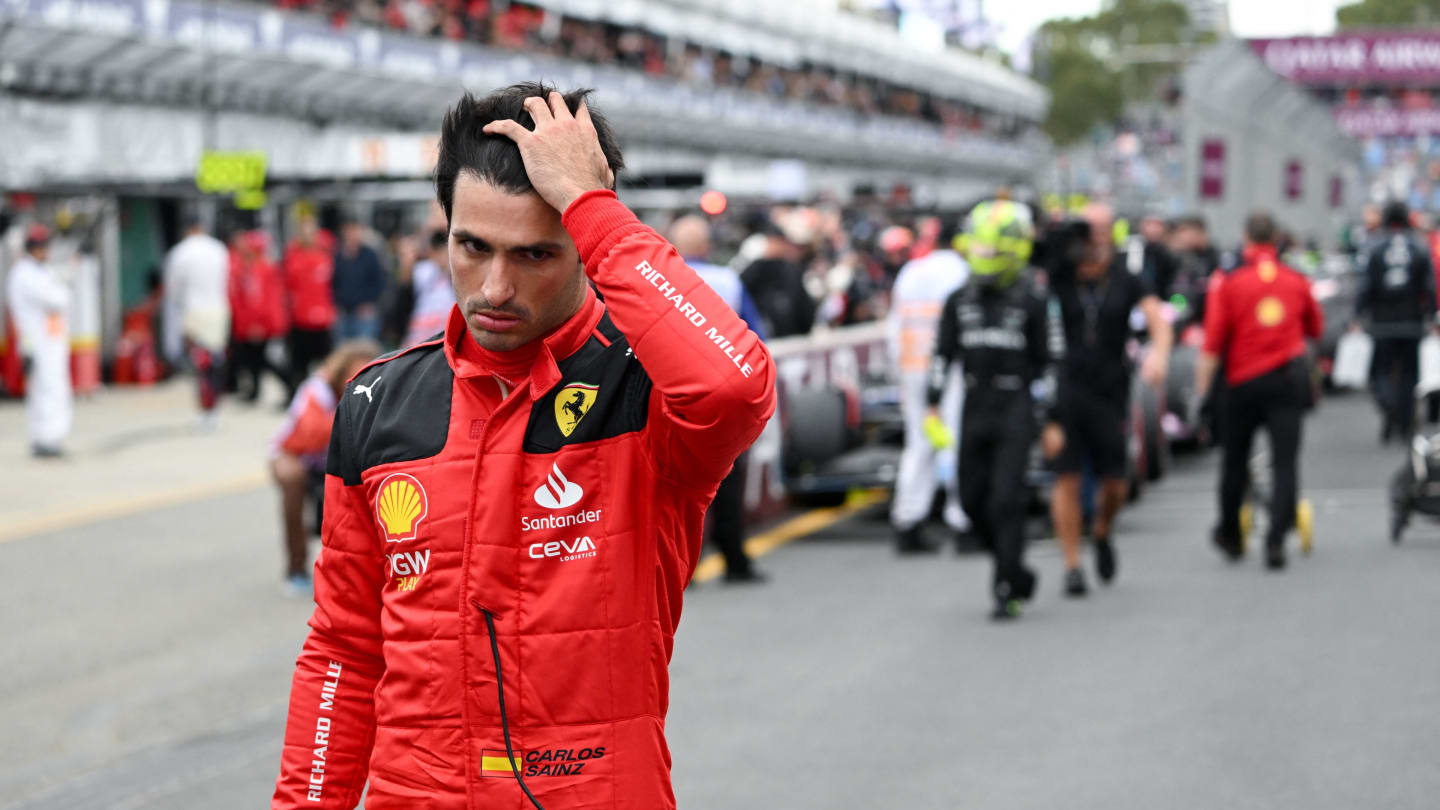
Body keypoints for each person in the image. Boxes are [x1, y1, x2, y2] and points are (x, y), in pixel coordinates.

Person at [270, 83, 775, 810]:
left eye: (535, 254)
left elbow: (733, 387)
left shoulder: (642, 390)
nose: (496, 288)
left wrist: (595, 209)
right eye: (472, 246)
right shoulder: (378, 403)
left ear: (583, 246)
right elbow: (345, 652)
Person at [928, 199, 1051, 620]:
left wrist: (1049, 418)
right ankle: (1014, 567)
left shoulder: (1034, 301)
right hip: (974, 404)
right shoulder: (957, 299)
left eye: (993, 252)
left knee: (1007, 500)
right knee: (971, 499)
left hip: (1015, 407)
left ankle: (1006, 584)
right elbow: (942, 355)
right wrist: (931, 404)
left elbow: (1048, 362)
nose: (985, 259)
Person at [1044, 203, 1172, 597]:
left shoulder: (1126, 278)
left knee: (1115, 481)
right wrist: (1063, 234)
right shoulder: (1060, 273)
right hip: (1067, 387)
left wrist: (1159, 354)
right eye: (1088, 229)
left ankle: (1101, 530)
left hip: (1111, 389)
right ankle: (1071, 565)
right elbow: (1038, 253)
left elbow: (1156, 318)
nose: (1094, 237)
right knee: (1066, 477)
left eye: (1101, 229)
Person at [1196, 211, 1323, 570]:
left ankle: (1231, 534)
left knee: (1234, 461)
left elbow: (1213, 341)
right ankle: (1277, 539)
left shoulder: (1230, 282)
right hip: (1286, 380)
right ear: (1277, 239)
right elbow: (1315, 326)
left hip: (1242, 383)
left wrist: (1203, 390)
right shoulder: (1296, 279)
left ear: (1246, 238)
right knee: (1285, 461)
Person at [668, 213, 769, 583]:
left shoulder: (656, 277)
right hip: (722, 397)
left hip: (672, 397)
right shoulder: (728, 280)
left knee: (676, 489)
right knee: (727, 483)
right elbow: (756, 339)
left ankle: (683, 571)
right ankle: (734, 560)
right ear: (707, 246)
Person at [269, 338, 381, 595]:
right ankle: (295, 568)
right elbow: (313, 434)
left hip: (336, 459)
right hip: (295, 454)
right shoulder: (316, 390)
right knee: (292, 478)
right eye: (353, 374)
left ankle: (360, 571)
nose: (359, 381)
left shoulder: (375, 392)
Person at [888, 220, 969, 553]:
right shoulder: (963, 272)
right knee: (958, 441)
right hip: (952, 371)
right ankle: (962, 520)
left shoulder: (910, 272)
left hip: (913, 367)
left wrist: (899, 372)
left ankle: (908, 519)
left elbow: (894, 327)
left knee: (918, 445)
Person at [1355, 200, 1436, 443]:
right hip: (1412, 320)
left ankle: (1389, 406)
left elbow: (1365, 286)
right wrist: (1432, 315)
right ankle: (1404, 420)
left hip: (1382, 322)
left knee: (1380, 371)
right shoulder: (1419, 246)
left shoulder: (1374, 246)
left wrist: (1358, 314)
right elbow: (1429, 287)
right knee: (1410, 374)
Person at [6, 224, 71, 457]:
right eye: (43, 247)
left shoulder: (38, 271)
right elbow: (59, 299)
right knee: (48, 390)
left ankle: (48, 437)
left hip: (48, 341)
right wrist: (65, 280)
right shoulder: (26, 273)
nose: (47, 251)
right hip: (39, 342)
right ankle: (46, 439)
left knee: (49, 389)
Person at [163, 219, 231, 424]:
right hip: (218, 310)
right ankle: (214, 407)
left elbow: (173, 289)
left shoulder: (180, 252)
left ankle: (204, 408)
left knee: (201, 365)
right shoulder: (219, 249)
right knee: (216, 362)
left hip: (194, 312)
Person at [228, 230, 289, 403]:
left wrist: (258, 324)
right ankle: (254, 392)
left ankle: (290, 387)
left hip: (263, 325)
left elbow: (262, 301)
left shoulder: (261, 270)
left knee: (265, 360)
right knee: (252, 359)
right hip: (254, 324)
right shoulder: (250, 269)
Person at [282, 214, 336, 398]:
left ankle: (327, 398)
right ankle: (296, 398)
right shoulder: (292, 256)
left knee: (327, 363)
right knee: (298, 364)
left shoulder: (326, 255)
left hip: (322, 320)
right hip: (300, 320)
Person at [740, 220, 816, 338]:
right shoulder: (754, 270)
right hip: (760, 338)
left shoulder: (790, 270)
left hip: (790, 337)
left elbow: (804, 309)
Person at [331, 218, 388, 341]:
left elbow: (379, 281)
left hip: (364, 314)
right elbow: (333, 282)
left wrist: (369, 302)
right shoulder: (338, 256)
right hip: (344, 313)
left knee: (364, 349)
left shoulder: (370, 255)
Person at [403, 229, 456, 346]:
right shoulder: (423, 270)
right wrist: (407, 261)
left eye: (444, 251)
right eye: (437, 251)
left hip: (445, 337)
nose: (441, 256)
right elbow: (406, 287)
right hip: (419, 336)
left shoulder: (456, 274)